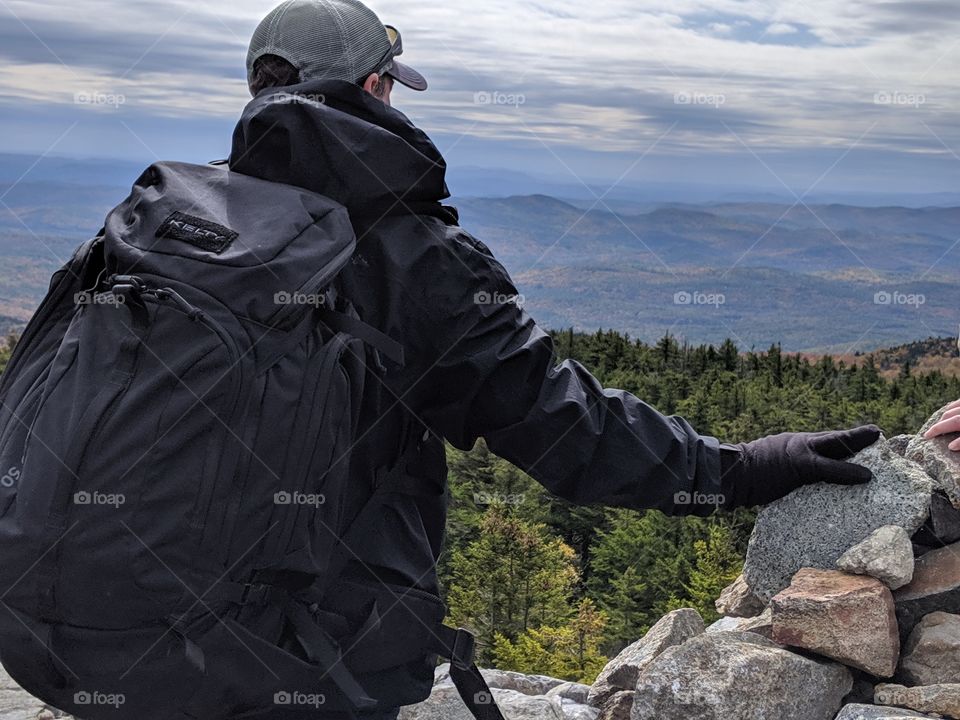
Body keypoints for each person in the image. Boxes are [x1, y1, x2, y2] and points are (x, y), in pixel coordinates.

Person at [223, 1, 885, 717]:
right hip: (313, 652)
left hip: (135, 626)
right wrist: (743, 468)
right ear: (374, 88)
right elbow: (565, 425)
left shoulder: (162, 220)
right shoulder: (401, 252)